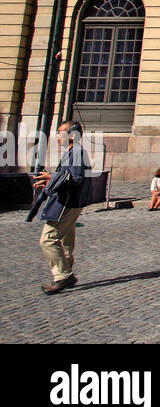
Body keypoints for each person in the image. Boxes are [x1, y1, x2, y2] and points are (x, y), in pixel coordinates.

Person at [29, 120, 91, 294]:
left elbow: (76, 178)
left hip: (67, 203)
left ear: (72, 135)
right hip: (69, 201)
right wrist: (50, 181)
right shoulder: (72, 151)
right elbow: (67, 177)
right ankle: (66, 272)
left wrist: (52, 177)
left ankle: (63, 276)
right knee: (65, 241)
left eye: (60, 132)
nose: (56, 136)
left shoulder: (77, 152)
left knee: (48, 239)